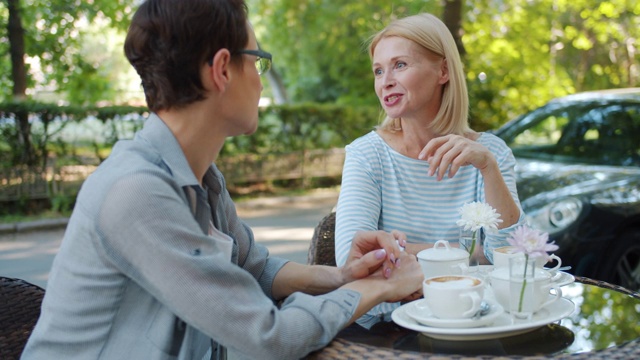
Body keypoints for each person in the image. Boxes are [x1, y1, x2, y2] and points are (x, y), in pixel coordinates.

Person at [20, 1, 424, 359]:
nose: (261, 80)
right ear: (221, 70)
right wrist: (380, 289)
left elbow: (255, 267)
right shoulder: (136, 190)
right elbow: (269, 337)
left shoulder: (202, 176)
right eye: (257, 61)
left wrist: (344, 276)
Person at [334, 13, 525, 328]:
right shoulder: (367, 155)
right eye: (378, 70)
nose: (386, 81)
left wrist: (488, 168)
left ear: (444, 70)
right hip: (388, 326)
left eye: (400, 65)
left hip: (475, 319)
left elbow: (513, 257)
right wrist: (463, 252)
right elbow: (353, 260)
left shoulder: (490, 154)